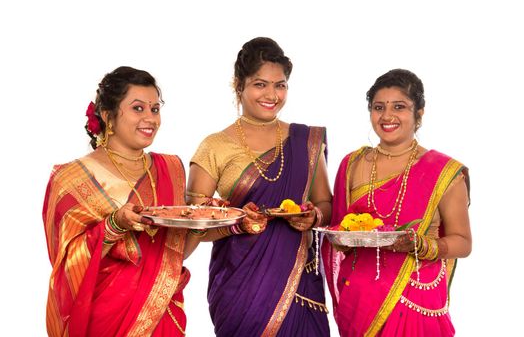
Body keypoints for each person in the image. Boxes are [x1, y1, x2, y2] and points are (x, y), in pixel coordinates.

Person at [186, 37, 332, 336]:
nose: (272, 94)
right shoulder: (215, 146)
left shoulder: (305, 141)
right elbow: (191, 225)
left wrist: (313, 217)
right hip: (241, 288)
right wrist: (237, 225)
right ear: (238, 85)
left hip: (298, 285)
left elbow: (326, 205)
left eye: (280, 85)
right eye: (260, 84)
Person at [43, 66, 197, 336]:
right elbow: (67, 266)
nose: (151, 118)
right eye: (138, 108)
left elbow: (174, 250)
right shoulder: (71, 179)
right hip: (105, 317)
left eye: (155, 109)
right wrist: (114, 225)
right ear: (107, 115)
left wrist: (228, 224)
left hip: (162, 314)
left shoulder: (170, 168)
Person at [322, 69, 472, 336]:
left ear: (419, 113)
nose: (387, 116)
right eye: (379, 107)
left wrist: (423, 245)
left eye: (399, 107)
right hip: (359, 296)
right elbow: (338, 232)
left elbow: (462, 242)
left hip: (415, 297)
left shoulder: (443, 171)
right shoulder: (352, 164)